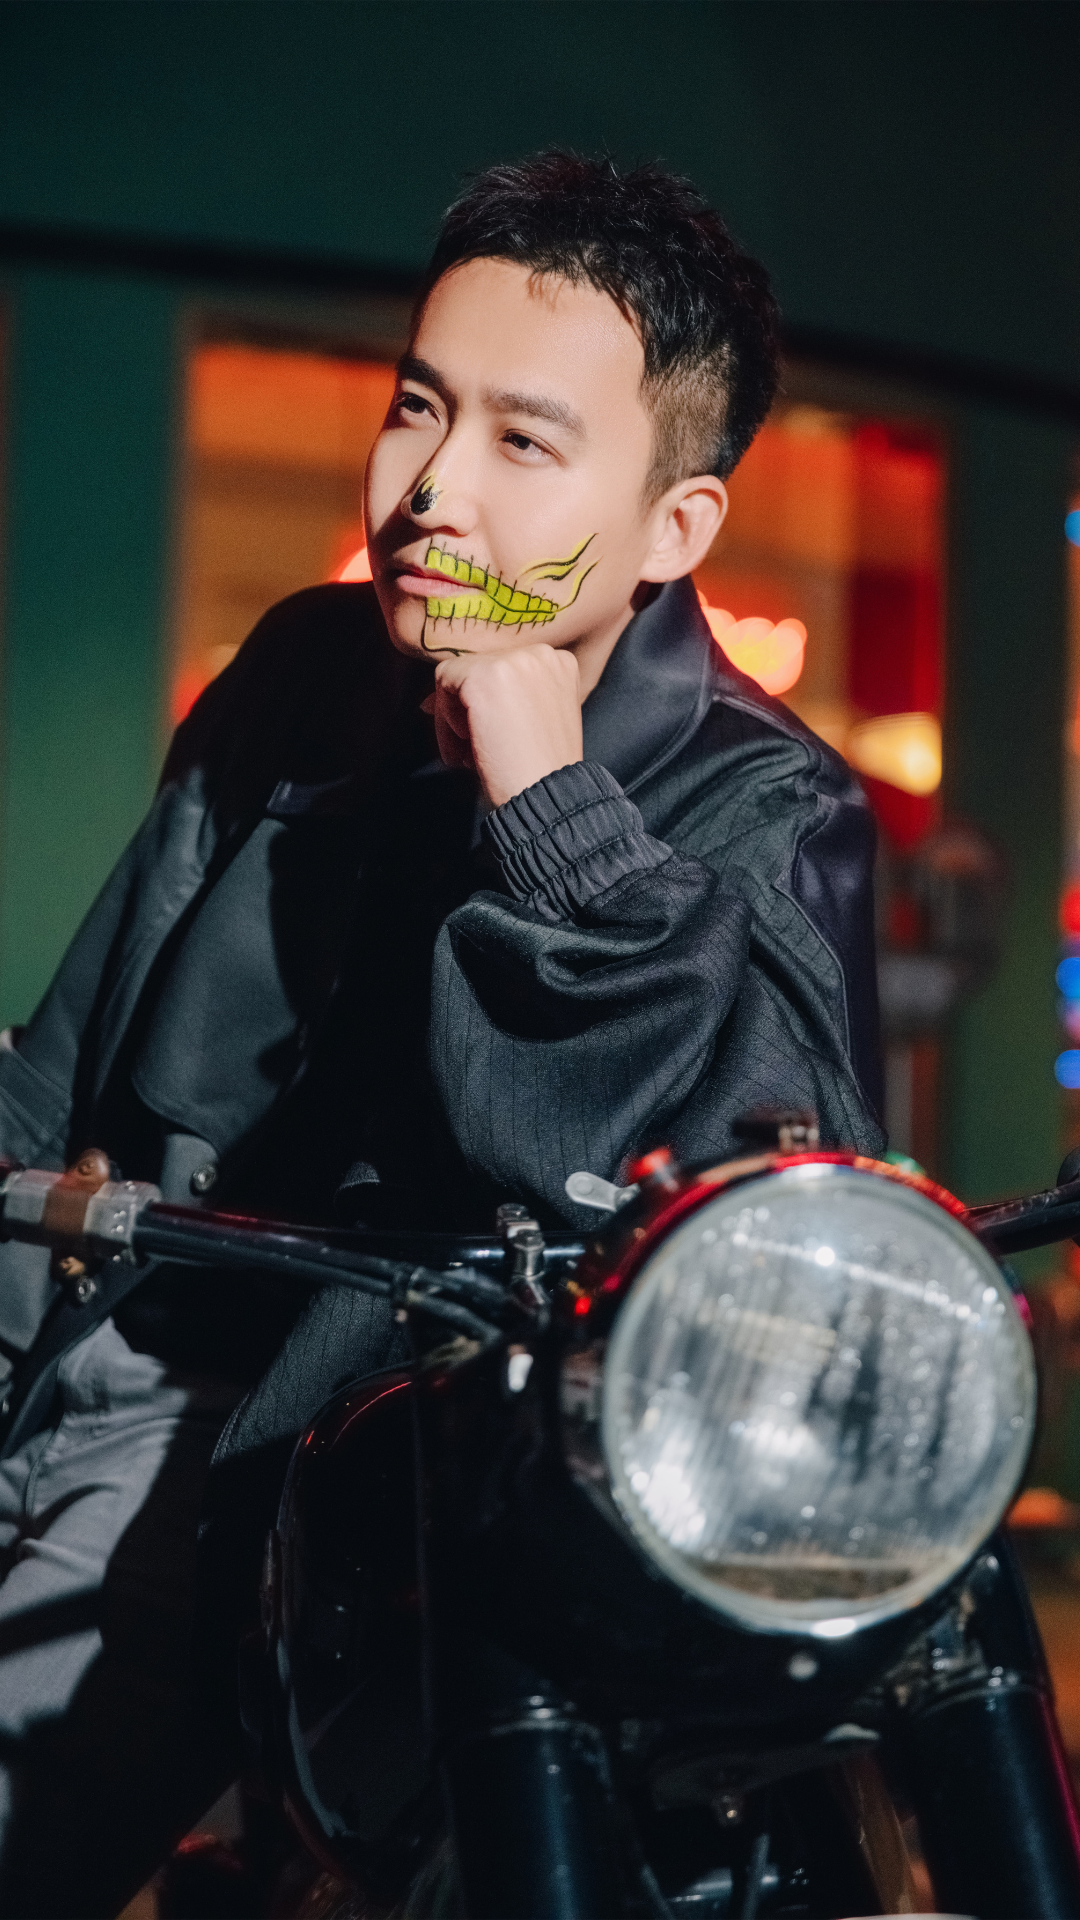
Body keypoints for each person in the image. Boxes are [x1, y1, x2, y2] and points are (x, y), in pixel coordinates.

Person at [0, 153, 884, 1915]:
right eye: (419, 407)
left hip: (390, 1492)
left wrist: (550, 805)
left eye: (524, 441)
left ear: (674, 529)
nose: (430, 491)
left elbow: (736, 1223)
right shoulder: (305, 668)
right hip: (110, 1347)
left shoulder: (770, 805)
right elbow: (68, 1070)